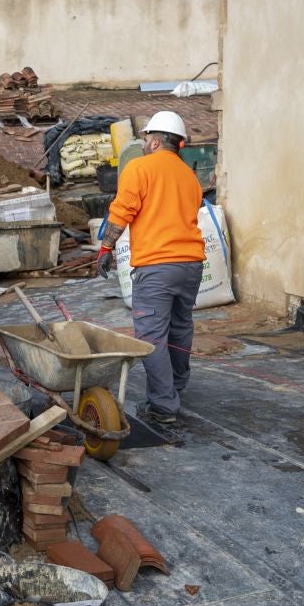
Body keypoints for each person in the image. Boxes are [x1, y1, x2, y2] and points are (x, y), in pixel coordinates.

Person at [97, 111, 205, 424]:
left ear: (156, 140)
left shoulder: (139, 168)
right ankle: (176, 386)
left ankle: (163, 406)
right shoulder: (188, 176)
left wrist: (106, 247)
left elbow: (122, 211)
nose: (144, 143)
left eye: (146, 138)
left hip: (158, 267)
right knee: (180, 327)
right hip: (192, 265)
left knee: (152, 335)